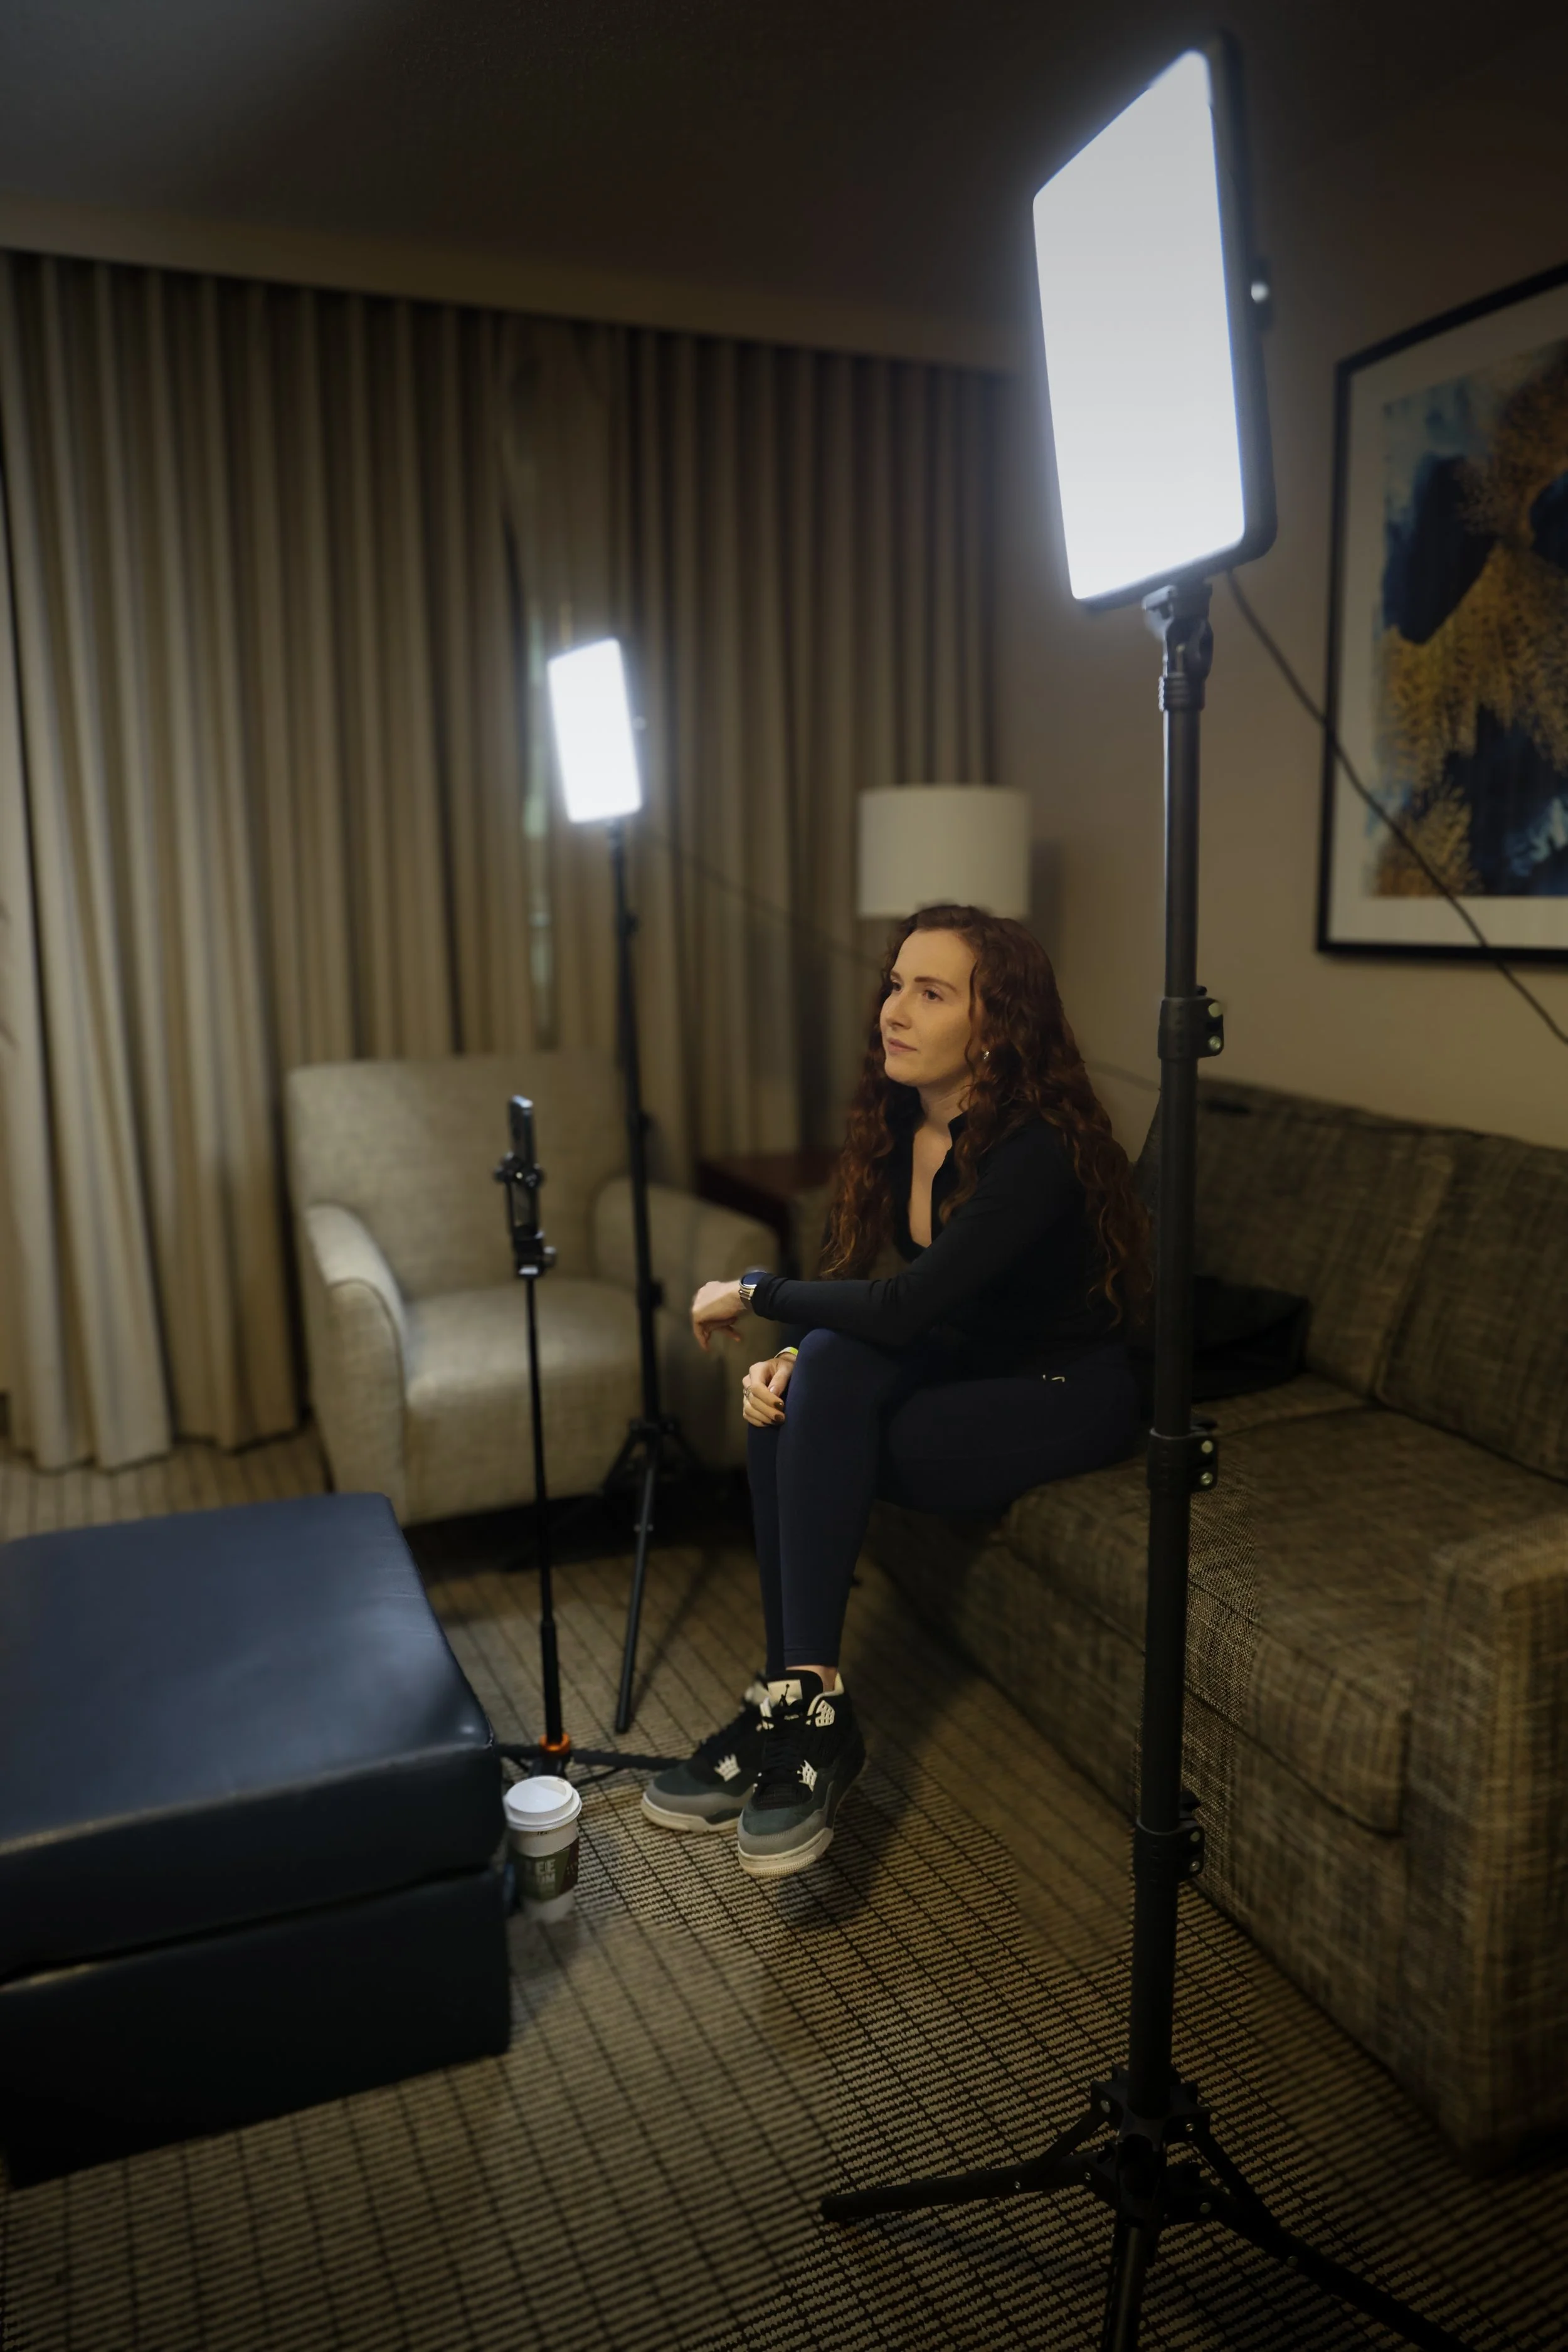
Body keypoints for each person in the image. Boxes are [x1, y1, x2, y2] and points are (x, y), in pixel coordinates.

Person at [640, 903, 1148, 1879]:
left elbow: (911, 1302)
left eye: (930, 992)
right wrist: (794, 1357)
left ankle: (801, 1709)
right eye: (894, 984)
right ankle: (802, 1701)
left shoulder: (1034, 1149)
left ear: (996, 1024)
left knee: (821, 1377)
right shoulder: (904, 1123)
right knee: (795, 1384)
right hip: (974, 1362)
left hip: (1064, 1389)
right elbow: (921, 1315)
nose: (893, 1010)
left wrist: (755, 1290)